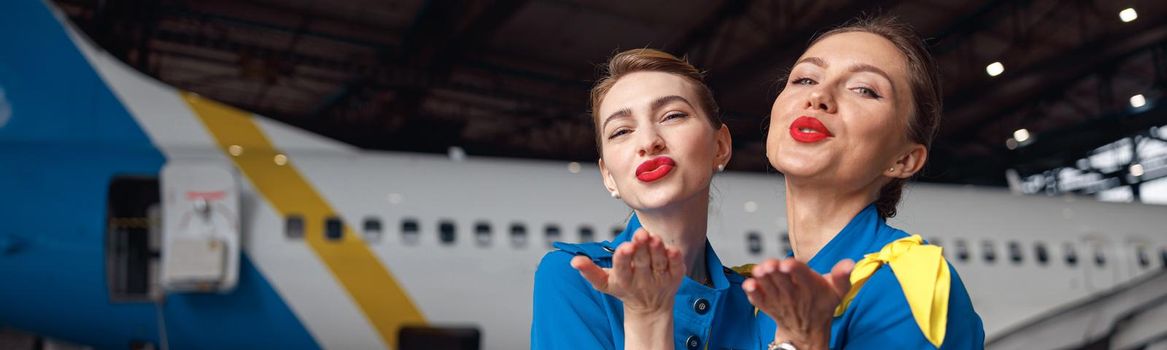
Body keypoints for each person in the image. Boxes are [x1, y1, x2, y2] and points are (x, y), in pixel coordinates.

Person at [743, 17, 986, 350]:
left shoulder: (910, 280)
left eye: (864, 89)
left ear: (903, 160)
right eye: (804, 78)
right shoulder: (757, 298)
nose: (819, 95)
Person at [531, 48, 761, 350]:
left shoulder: (757, 301)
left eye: (672, 116)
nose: (648, 142)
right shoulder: (578, 277)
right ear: (609, 177)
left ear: (720, 145)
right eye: (621, 131)